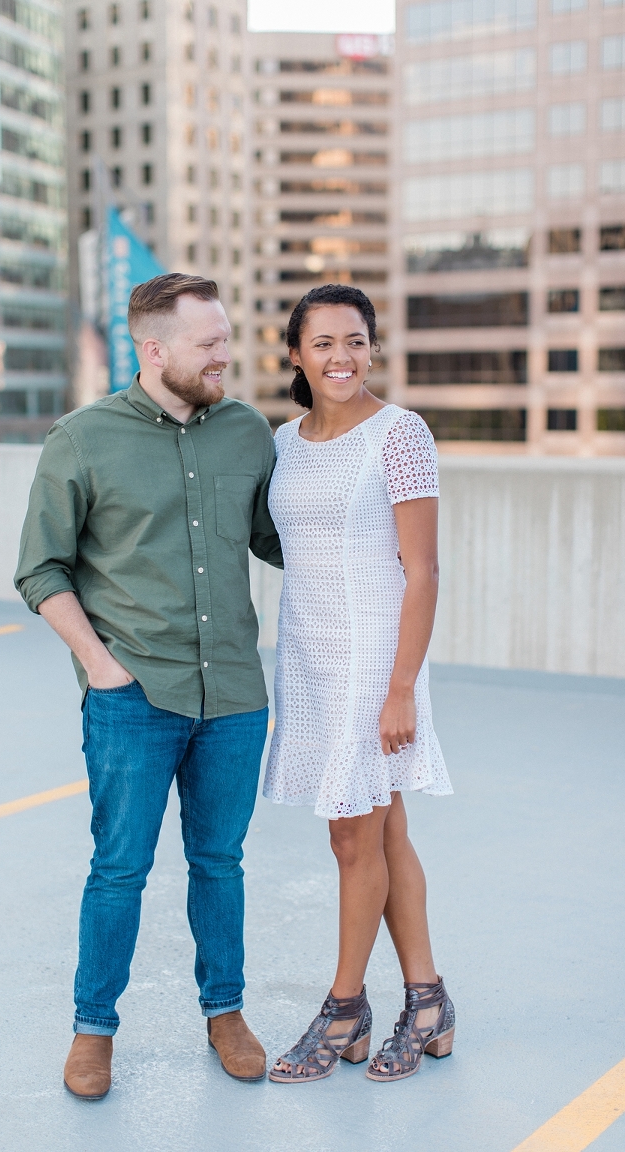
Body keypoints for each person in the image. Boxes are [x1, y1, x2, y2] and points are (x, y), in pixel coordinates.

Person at [14, 273, 283, 1099]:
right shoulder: (83, 438)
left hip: (234, 693)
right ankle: (93, 1030)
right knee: (120, 869)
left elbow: (281, 540)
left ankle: (225, 1013)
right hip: (132, 696)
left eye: (225, 340)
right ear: (154, 348)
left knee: (220, 862)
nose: (224, 357)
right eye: (209, 344)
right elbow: (40, 569)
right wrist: (100, 666)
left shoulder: (247, 433)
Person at [263, 284, 454, 1085]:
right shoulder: (282, 439)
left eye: (355, 341)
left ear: (372, 347)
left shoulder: (399, 435)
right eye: (324, 344)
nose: (341, 358)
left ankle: (345, 1008)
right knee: (385, 832)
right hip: (307, 651)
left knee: (352, 837)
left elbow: (423, 571)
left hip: (374, 655)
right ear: (297, 355)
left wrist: (401, 687)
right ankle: (431, 1004)